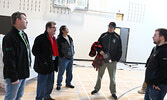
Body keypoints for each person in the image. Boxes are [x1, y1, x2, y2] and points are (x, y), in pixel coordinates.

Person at [2, 11, 31, 100]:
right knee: (10, 98)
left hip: (22, 73)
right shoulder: (9, 37)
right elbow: (8, 59)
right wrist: (14, 77)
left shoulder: (23, 35)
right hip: (14, 76)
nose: (27, 21)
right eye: (24, 19)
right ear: (17, 20)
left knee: (18, 97)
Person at [91, 22, 122, 100]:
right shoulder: (103, 35)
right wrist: (99, 51)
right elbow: (97, 45)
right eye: (109, 27)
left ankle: (113, 92)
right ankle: (96, 89)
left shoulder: (117, 37)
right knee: (99, 76)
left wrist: (117, 59)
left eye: (111, 27)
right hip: (103, 59)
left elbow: (120, 49)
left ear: (114, 28)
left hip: (113, 61)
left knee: (112, 77)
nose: (110, 28)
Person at [32, 21, 59, 100]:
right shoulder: (40, 38)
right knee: (42, 84)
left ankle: (47, 96)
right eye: (53, 27)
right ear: (48, 29)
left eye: (55, 27)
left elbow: (54, 52)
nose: (55, 29)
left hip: (52, 64)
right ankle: (39, 98)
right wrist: (44, 61)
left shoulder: (54, 39)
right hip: (43, 65)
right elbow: (35, 51)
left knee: (50, 82)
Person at [144, 28, 167, 100]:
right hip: (150, 85)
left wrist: (156, 83)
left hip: (157, 86)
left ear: (162, 37)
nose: (153, 37)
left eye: (155, 35)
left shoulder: (165, 51)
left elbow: (164, 70)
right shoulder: (155, 49)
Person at [56, 25, 75, 90]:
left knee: (70, 71)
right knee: (61, 72)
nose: (68, 29)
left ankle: (68, 83)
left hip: (71, 57)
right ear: (63, 31)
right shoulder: (59, 39)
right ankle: (58, 84)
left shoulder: (69, 37)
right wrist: (62, 55)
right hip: (64, 58)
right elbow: (57, 48)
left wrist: (73, 53)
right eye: (66, 28)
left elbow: (72, 46)